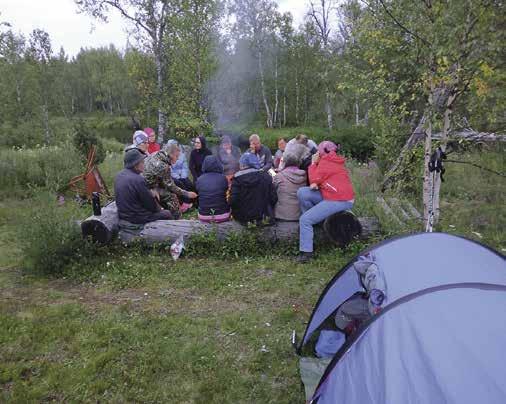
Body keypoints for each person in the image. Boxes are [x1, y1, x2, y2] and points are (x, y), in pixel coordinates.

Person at [296, 141, 355, 263]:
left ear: (322, 151)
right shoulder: (333, 160)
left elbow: (313, 181)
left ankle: (306, 253)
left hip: (338, 199)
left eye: (318, 150)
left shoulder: (325, 162)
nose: (316, 153)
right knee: (302, 192)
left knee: (304, 220)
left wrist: (312, 163)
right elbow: (314, 185)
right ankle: (315, 222)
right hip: (336, 195)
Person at [114, 148, 172, 225]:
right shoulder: (138, 179)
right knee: (167, 213)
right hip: (136, 218)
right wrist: (160, 209)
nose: (144, 164)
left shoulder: (119, 175)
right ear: (135, 165)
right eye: (142, 162)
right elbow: (150, 205)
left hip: (123, 215)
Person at [143, 150, 198, 219]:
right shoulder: (163, 166)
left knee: (177, 184)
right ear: (171, 155)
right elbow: (170, 186)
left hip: (146, 183)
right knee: (172, 196)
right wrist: (187, 194)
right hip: (146, 187)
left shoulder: (157, 153)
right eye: (177, 156)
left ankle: (169, 213)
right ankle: (177, 219)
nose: (178, 159)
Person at [230, 153, 277, 225]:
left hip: (245, 220)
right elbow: (274, 198)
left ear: (242, 164)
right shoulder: (266, 177)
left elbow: (233, 201)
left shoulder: (237, 179)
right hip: (265, 219)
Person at [273, 152, 307, 221]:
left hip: (281, 215)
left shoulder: (279, 176)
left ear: (285, 163)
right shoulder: (304, 175)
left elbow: (272, 192)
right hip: (299, 215)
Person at [195, 156, 231, 223]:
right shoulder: (223, 178)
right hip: (223, 216)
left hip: (203, 216)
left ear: (204, 165)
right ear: (218, 164)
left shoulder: (199, 179)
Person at [165, 140, 195, 211]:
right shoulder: (167, 156)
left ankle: (193, 202)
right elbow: (170, 170)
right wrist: (177, 176)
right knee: (180, 184)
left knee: (189, 184)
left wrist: (183, 175)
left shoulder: (182, 155)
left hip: (182, 174)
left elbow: (185, 167)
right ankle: (184, 203)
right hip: (173, 175)